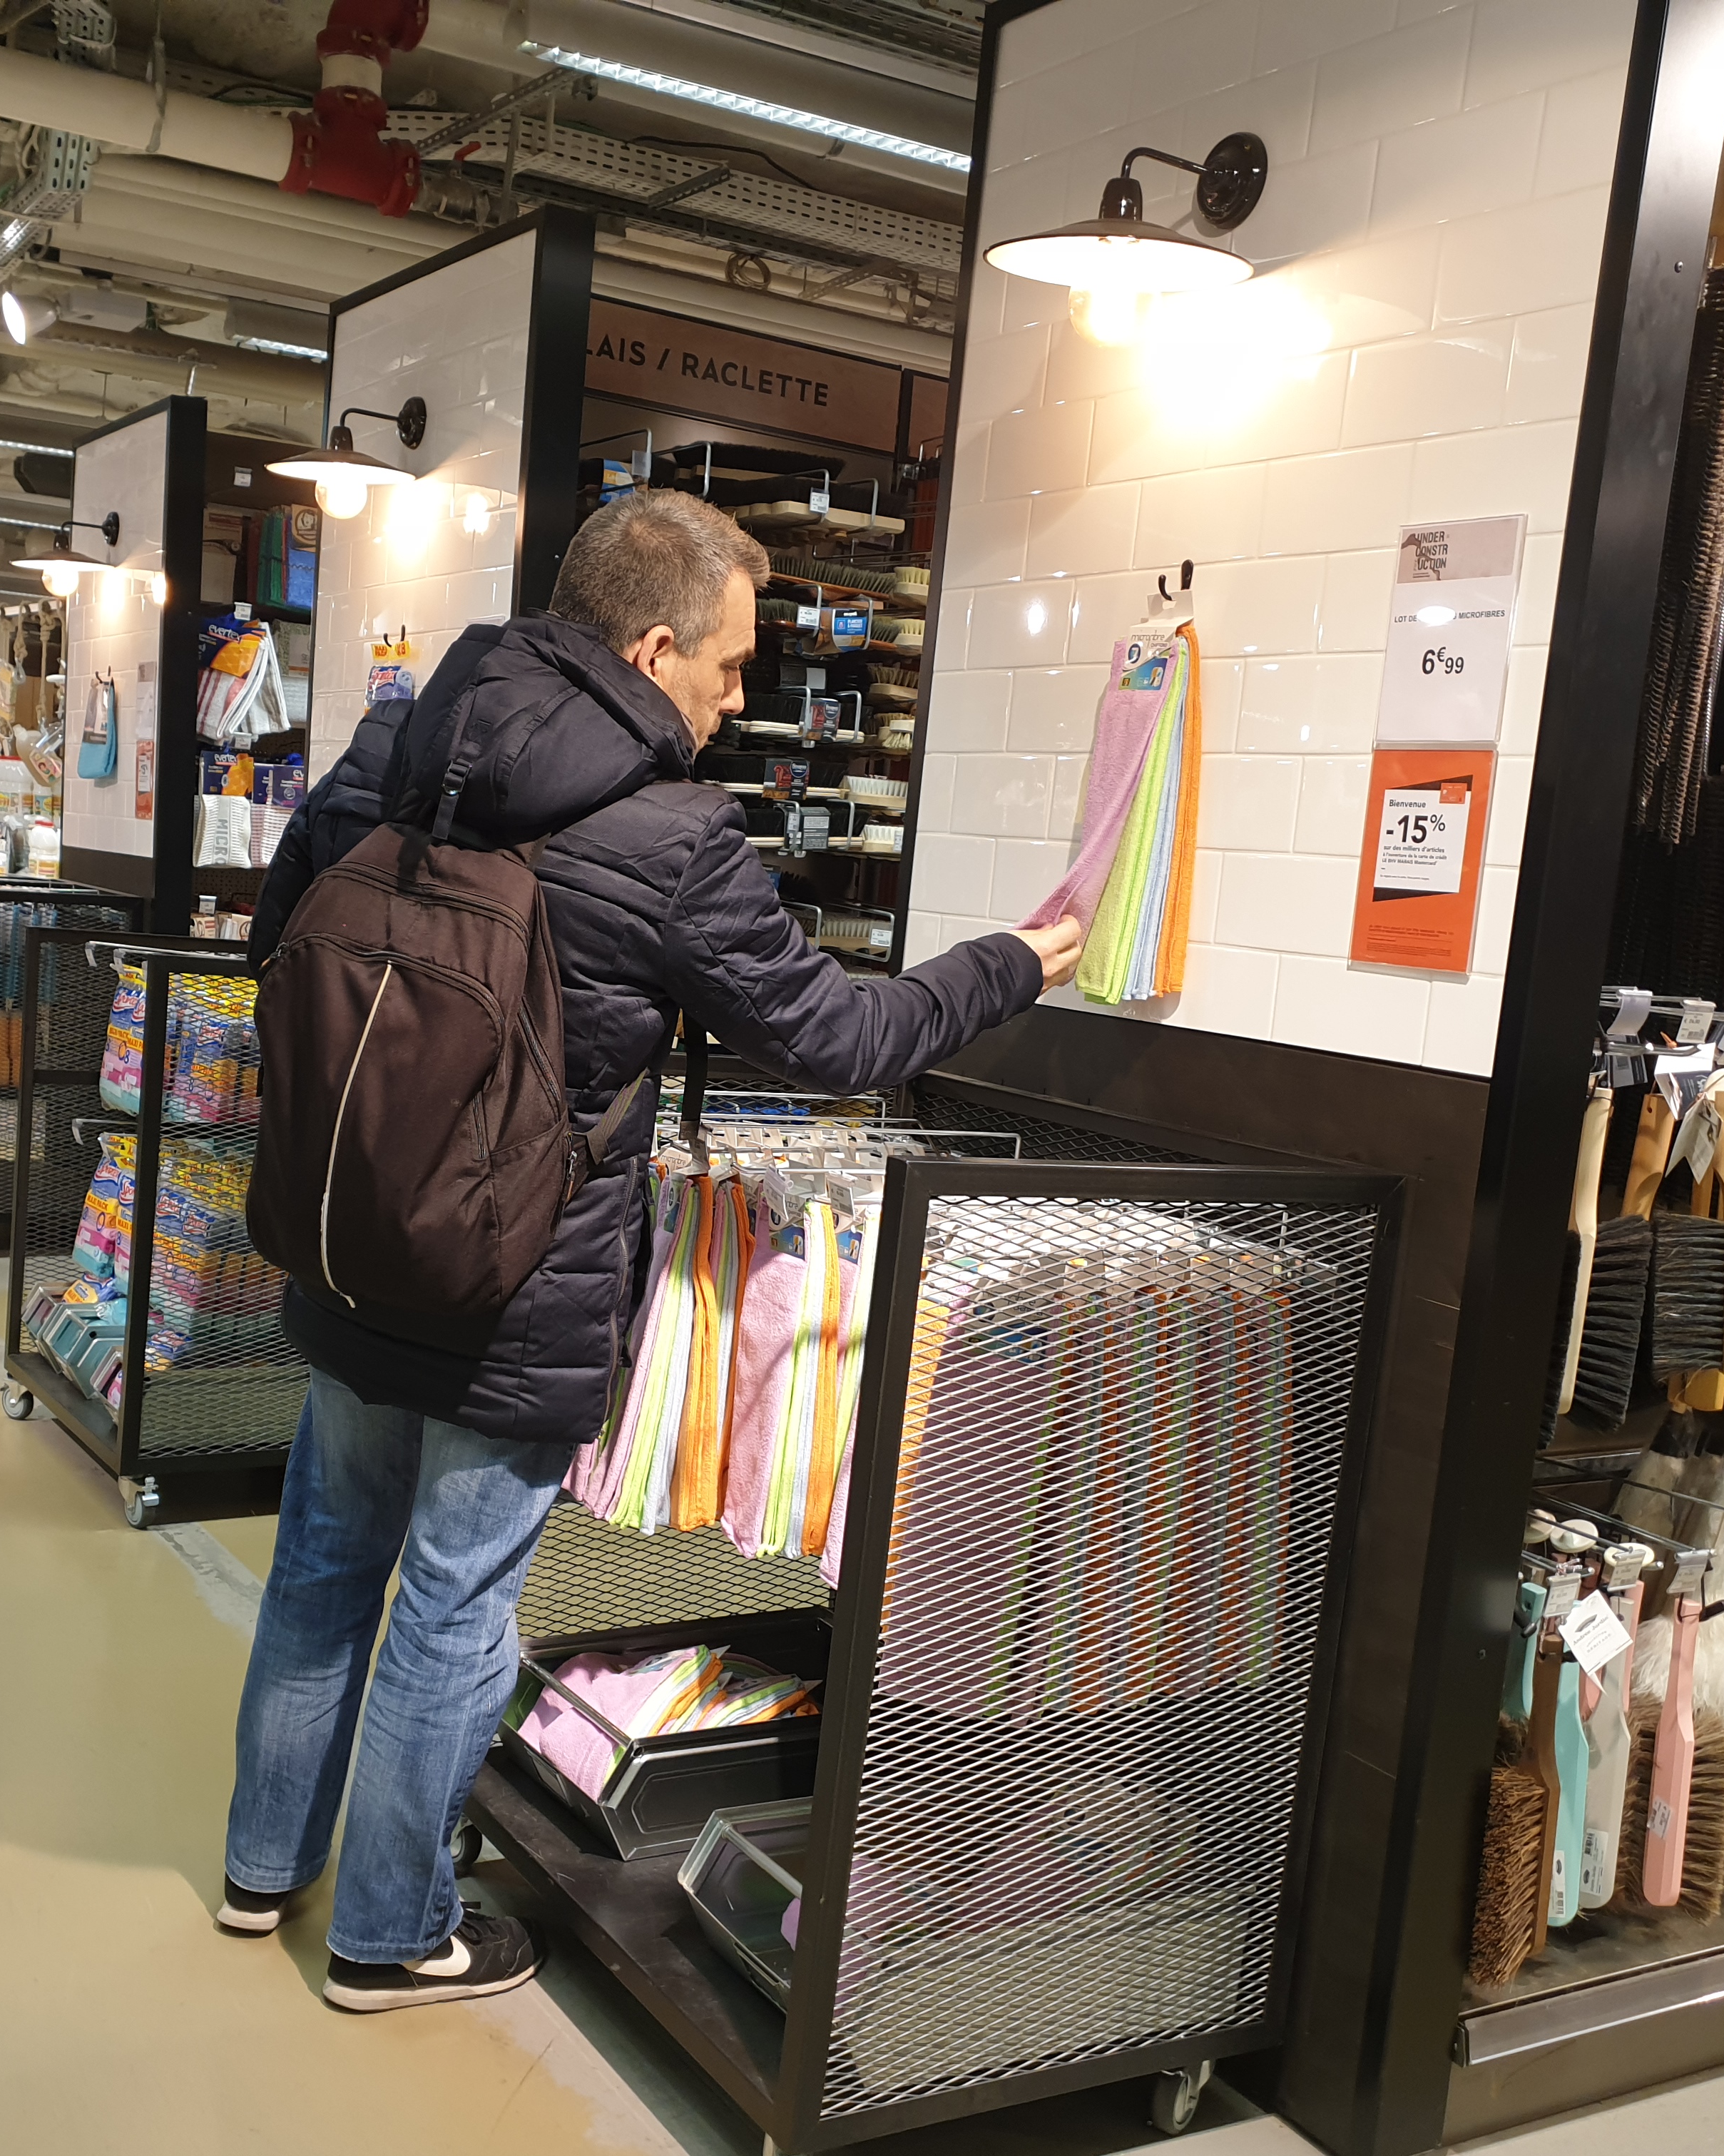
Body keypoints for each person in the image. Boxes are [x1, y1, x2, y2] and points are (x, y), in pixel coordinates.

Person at [221, 489, 1081, 2011]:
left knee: (323, 1562)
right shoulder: (673, 834)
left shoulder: (395, 746)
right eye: (732, 666)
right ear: (653, 647)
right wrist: (1001, 965)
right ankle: (387, 1937)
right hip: (511, 1279)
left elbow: (275, 937)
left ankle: (259, 1869)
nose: (740, 699)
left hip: (350, 1228)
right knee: (453, 1606)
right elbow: (833, 1038)